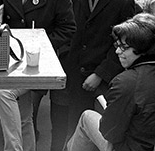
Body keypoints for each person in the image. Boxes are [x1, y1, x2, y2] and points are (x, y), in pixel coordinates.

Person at [0, 0, 75, 151]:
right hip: (10, 59)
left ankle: (14, 149)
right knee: (24, 116)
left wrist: (41, 42)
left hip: (37, 62)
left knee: (3, 93)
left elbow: (68, 29)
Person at [59, 0, 137, 148]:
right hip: (76, 77)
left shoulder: (123, 1)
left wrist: (100, 74)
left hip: (104, 81)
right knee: (73, 128)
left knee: (101, 134)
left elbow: (122, 45)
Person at [66, 13, 155, 151]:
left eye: (124, 47)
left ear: (143, 48)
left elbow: (110, 133)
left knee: (86, 117)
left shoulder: (126, 82)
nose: (118, 51)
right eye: (117, 45)